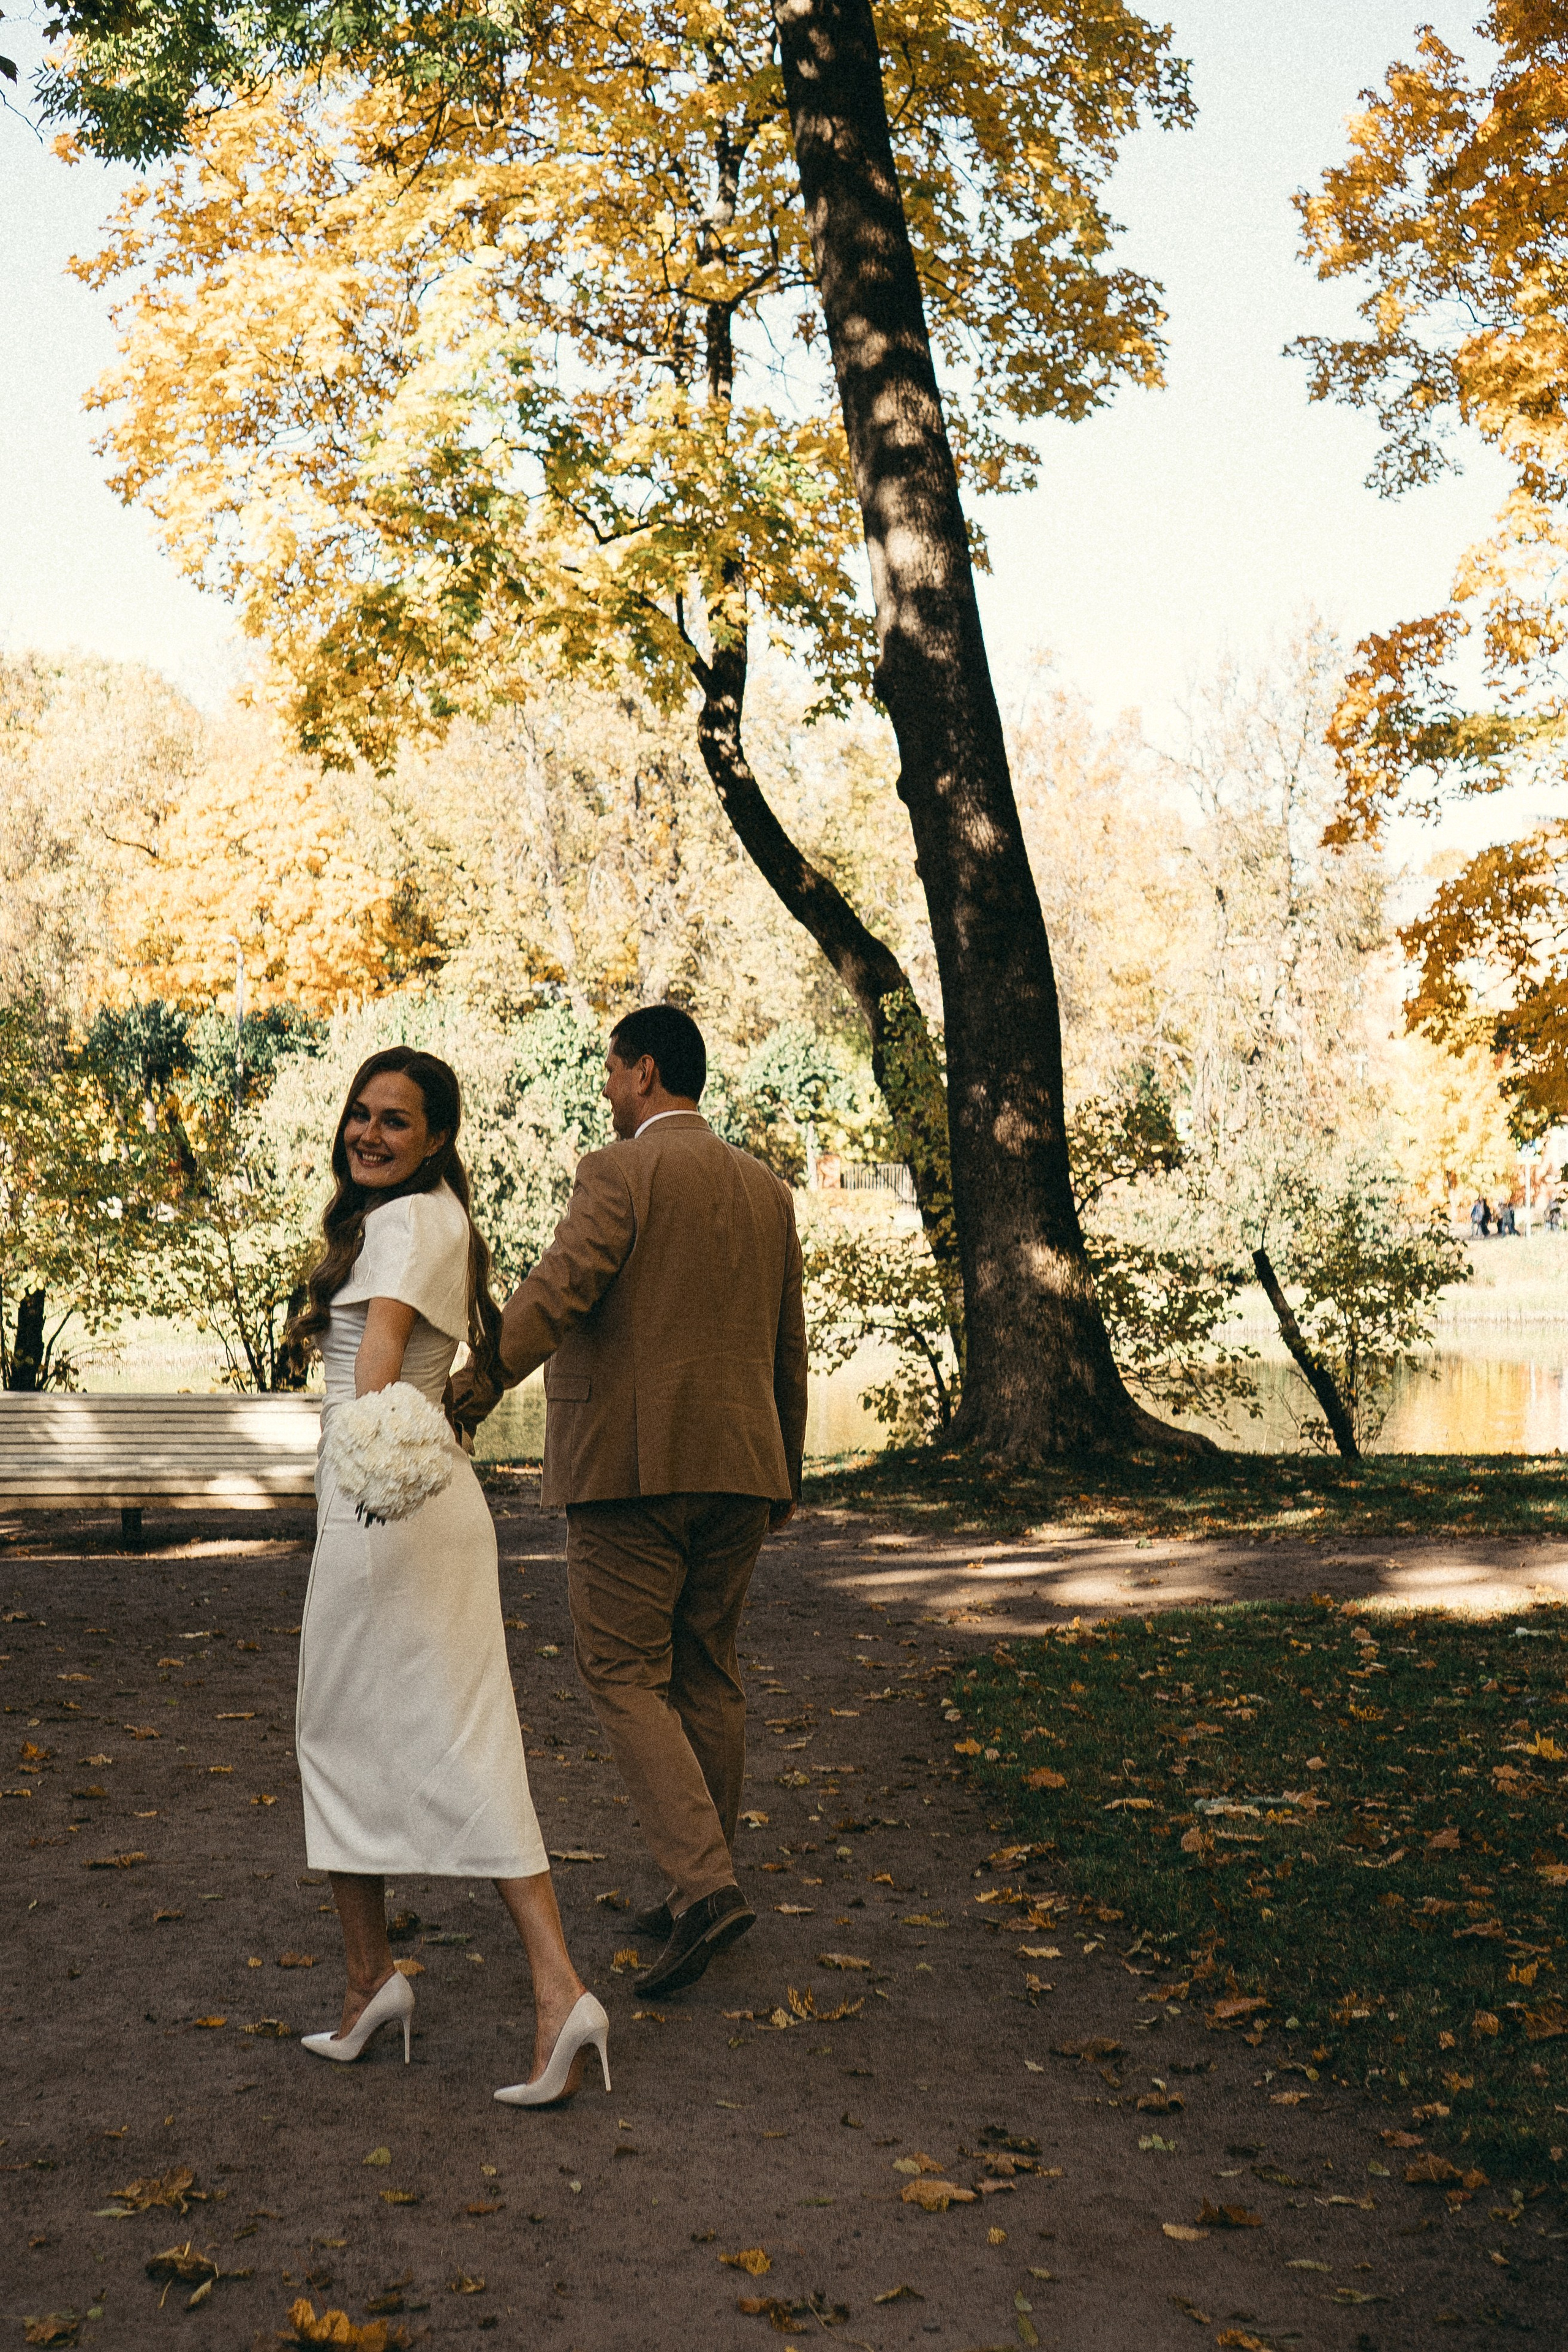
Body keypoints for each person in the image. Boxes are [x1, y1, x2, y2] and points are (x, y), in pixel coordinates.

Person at [455, 1004, 808, 1999]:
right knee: (706, 1671)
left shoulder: (619, 1171)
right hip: (743, 1467)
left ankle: (703, 1888)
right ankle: (704, 1874)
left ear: (644, 1072)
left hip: (633, 1472)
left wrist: (472, 1389)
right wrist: (784, 1467)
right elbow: (791, 1343)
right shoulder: (766, 1190)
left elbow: (561, 1289)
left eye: (612, 1072)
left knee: (619, 1669)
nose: (607, 1090)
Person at [288, 1046, 607, 2107]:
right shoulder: (419, 1221)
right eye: (360, 1115)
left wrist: (347, 1471)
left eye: (395, 1121)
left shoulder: (410, 1222)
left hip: (389, 1510)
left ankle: (557, 1994)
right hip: (387, 1500)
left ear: (435, 1138)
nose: (369, 1134)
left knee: (439, 1740)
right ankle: (370, 1982)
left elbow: (375, 1381)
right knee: (356, 1733)